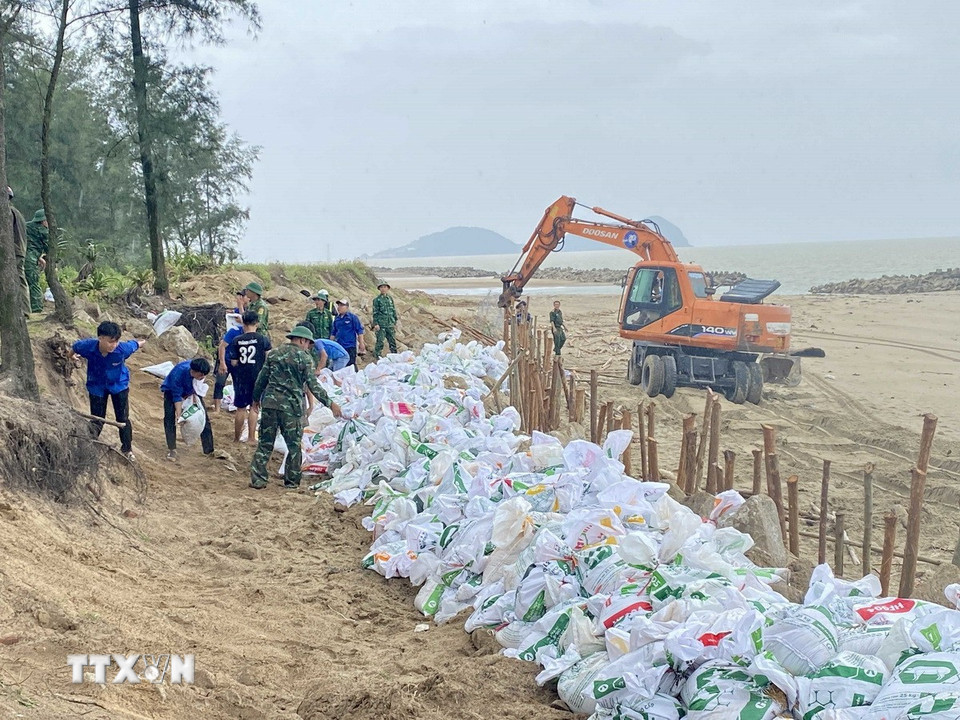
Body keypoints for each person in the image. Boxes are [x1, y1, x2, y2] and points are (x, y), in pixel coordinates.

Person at [249, 326, 341, 490]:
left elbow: (261, 379)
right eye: (308, 343)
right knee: (293, 445)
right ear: (302, 340)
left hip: (270, 404)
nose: (308, 347)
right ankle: (291, 482)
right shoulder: (304, 359)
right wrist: (330, 403)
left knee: (265, 443)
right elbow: (313, 386)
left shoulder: (275, 354)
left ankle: (258, 479)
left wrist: (256, 399)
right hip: (291, 408)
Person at [71, 321, 144, 460]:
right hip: (96, 386)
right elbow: (74, 347)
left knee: (122, 419)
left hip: (118, 385)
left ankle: (127, 449)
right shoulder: (87, 346)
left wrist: (143, 341)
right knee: (97, 419)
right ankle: (90, 444)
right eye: (110, 342)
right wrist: (71, 356)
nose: (113, 345)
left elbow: (136, 344)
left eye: (116, 341)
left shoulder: (122, 349)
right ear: (100, 338)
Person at [228, 310, 272, 443]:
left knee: (240, 408)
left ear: (243, 323)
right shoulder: (263, 339)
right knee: (254, 406)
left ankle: (236, 438)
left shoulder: (236, 340)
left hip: (241, 377)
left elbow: (234, 361)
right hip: (258, 377)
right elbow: (269, 357)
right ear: (257, 323)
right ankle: (251, 437)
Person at [160, 357, 213, 461]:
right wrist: (179, 416)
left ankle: (209, 450)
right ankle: (172, 449)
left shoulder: (199, 373)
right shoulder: (178, 374)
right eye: (201, 375)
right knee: (169, 419)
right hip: (171, 392)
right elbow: (177, 397)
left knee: (204, 418)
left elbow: (197, 388)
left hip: (191, 391)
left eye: (204, 375)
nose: (203, 377)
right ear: (193, 371)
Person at [212, 291, 248, 414]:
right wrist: (222, 362)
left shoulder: (251, 336)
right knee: (220, 382)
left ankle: (239, 406)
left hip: (239, 362)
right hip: (227, 359)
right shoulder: (234, 331)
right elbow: (222, 346)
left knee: (239, 385)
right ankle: (216, 407)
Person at [8, 187, 29, 317]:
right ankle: (25, 310)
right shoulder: (17, 212)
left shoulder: (7, 213)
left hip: (12, 251)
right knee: (20, 280)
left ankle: (22, 312)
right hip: (20, 250)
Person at [24, 208, 48, 314]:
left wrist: (39, 258)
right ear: (43, 221)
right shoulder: (42, 230)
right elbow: (48, 247)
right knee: (34, 283)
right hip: (30, 259)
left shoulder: (27, 226)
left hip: (22, 256)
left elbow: (29, 245)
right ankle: (36, 308)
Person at [331, 298, 365, 367]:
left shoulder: (352, 317)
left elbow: (359, 331)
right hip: (340, 346)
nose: (339, 307)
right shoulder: (337, 319)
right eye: (338, 305)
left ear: (346, 307)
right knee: (340, 365)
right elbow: (333, 333)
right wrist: (331, 344)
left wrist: (361, 343)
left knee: (351, 365)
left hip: (350, 346)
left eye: (341, 305)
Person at [372, 281, 399, 357]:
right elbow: (375, 313)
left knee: (392, 341)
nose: (383, 289)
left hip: (390, 324)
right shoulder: (377, 300)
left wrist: (395, 321)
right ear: (379, 289)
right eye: (381, 287)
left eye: (385, 287)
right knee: (380, 342)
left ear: (387, 288)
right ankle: (377, 356)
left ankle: (395, 356)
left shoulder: (390, 298)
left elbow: (393, 310)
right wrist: (376, 324)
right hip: (381, 325)